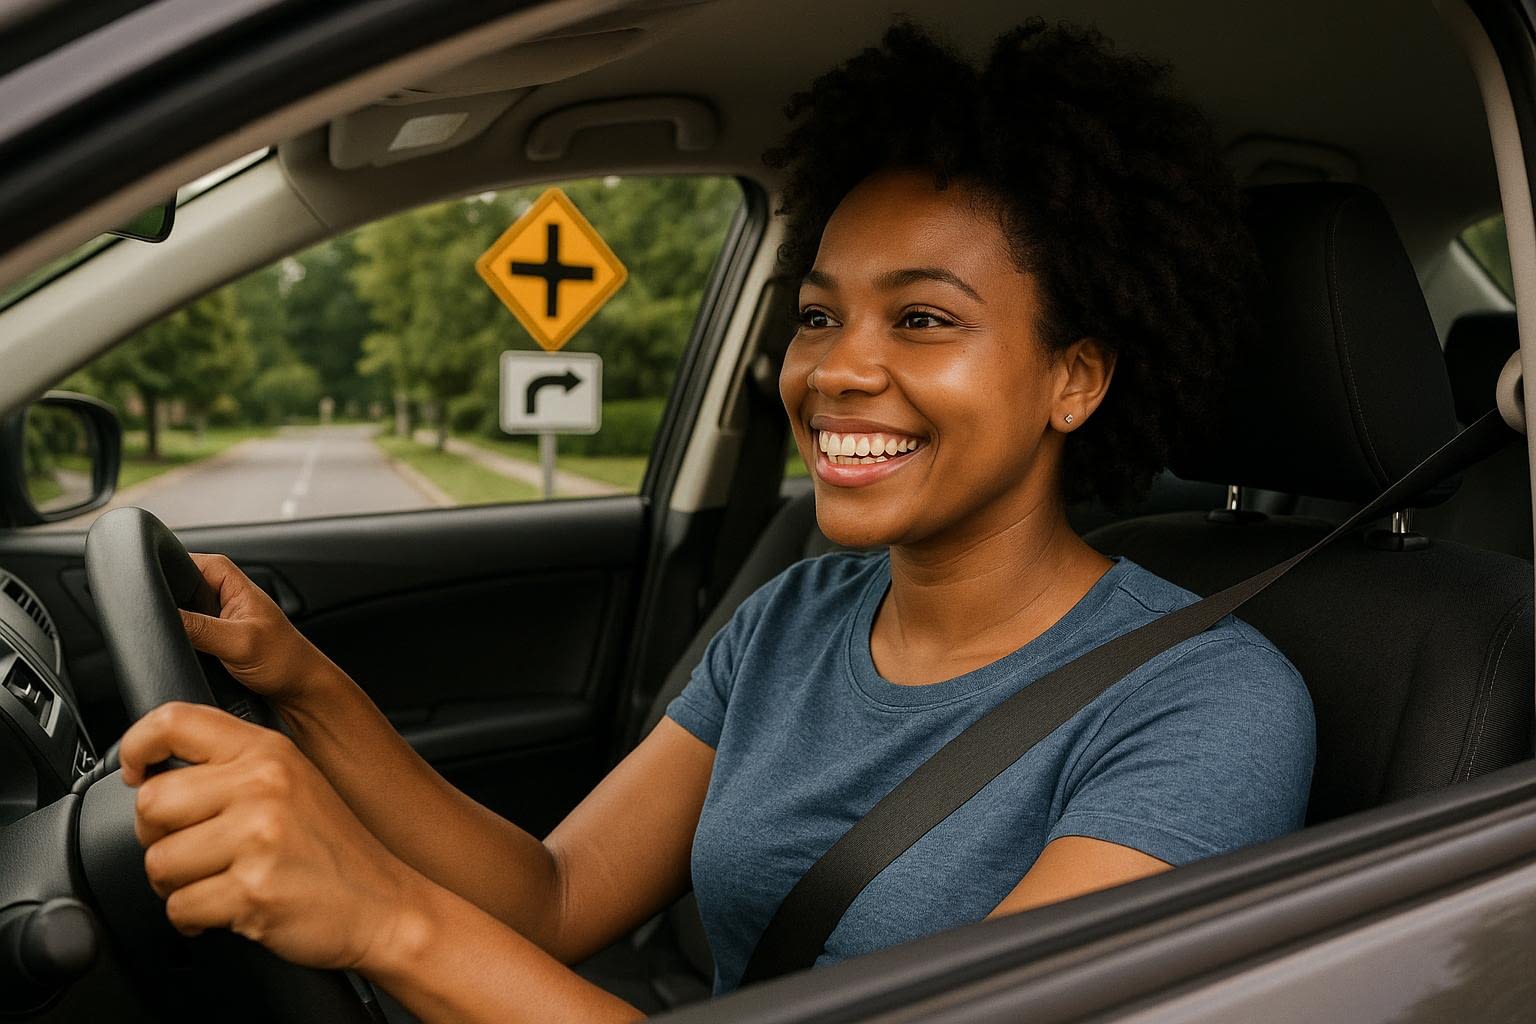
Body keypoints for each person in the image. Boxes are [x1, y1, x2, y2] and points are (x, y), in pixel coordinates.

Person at [117, 18, 1316, 1023]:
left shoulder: (1205, 705)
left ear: (1077, 378)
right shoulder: (794, 618)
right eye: (816, 316)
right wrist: (306, 685)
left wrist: (379, 914)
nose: (837, 371)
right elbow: (554, 892)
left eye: (924, 320)